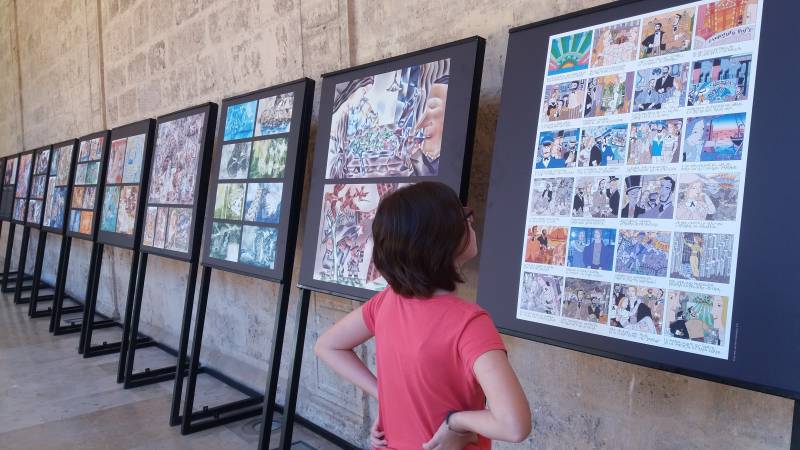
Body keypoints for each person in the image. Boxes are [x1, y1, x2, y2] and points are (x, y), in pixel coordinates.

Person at [315, 182, 532, 449]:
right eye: (463, 216)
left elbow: (327, 345)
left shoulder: (386, 301)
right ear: (442, 238)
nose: (470, 220)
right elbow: (514, 425)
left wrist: (385, 396)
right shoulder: (469, 324)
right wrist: (457, 421)